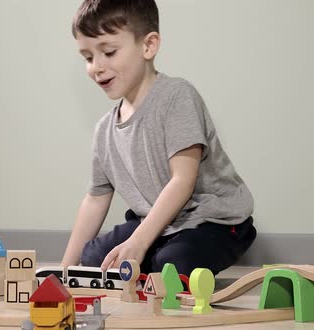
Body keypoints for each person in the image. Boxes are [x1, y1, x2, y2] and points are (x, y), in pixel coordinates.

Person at [61, 0, 256, 276]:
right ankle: (146, 263)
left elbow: (182, 181)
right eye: (88, 58)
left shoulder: (177, 96)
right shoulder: (104, 129)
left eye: (108, 52)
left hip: (214, 222)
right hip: (158, 225)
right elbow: (95, 199)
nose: (97, 67)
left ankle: (152, 264)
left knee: (172, 263)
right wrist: (65, 271)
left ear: (148, 46)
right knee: (92, 259)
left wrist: (139, 244)